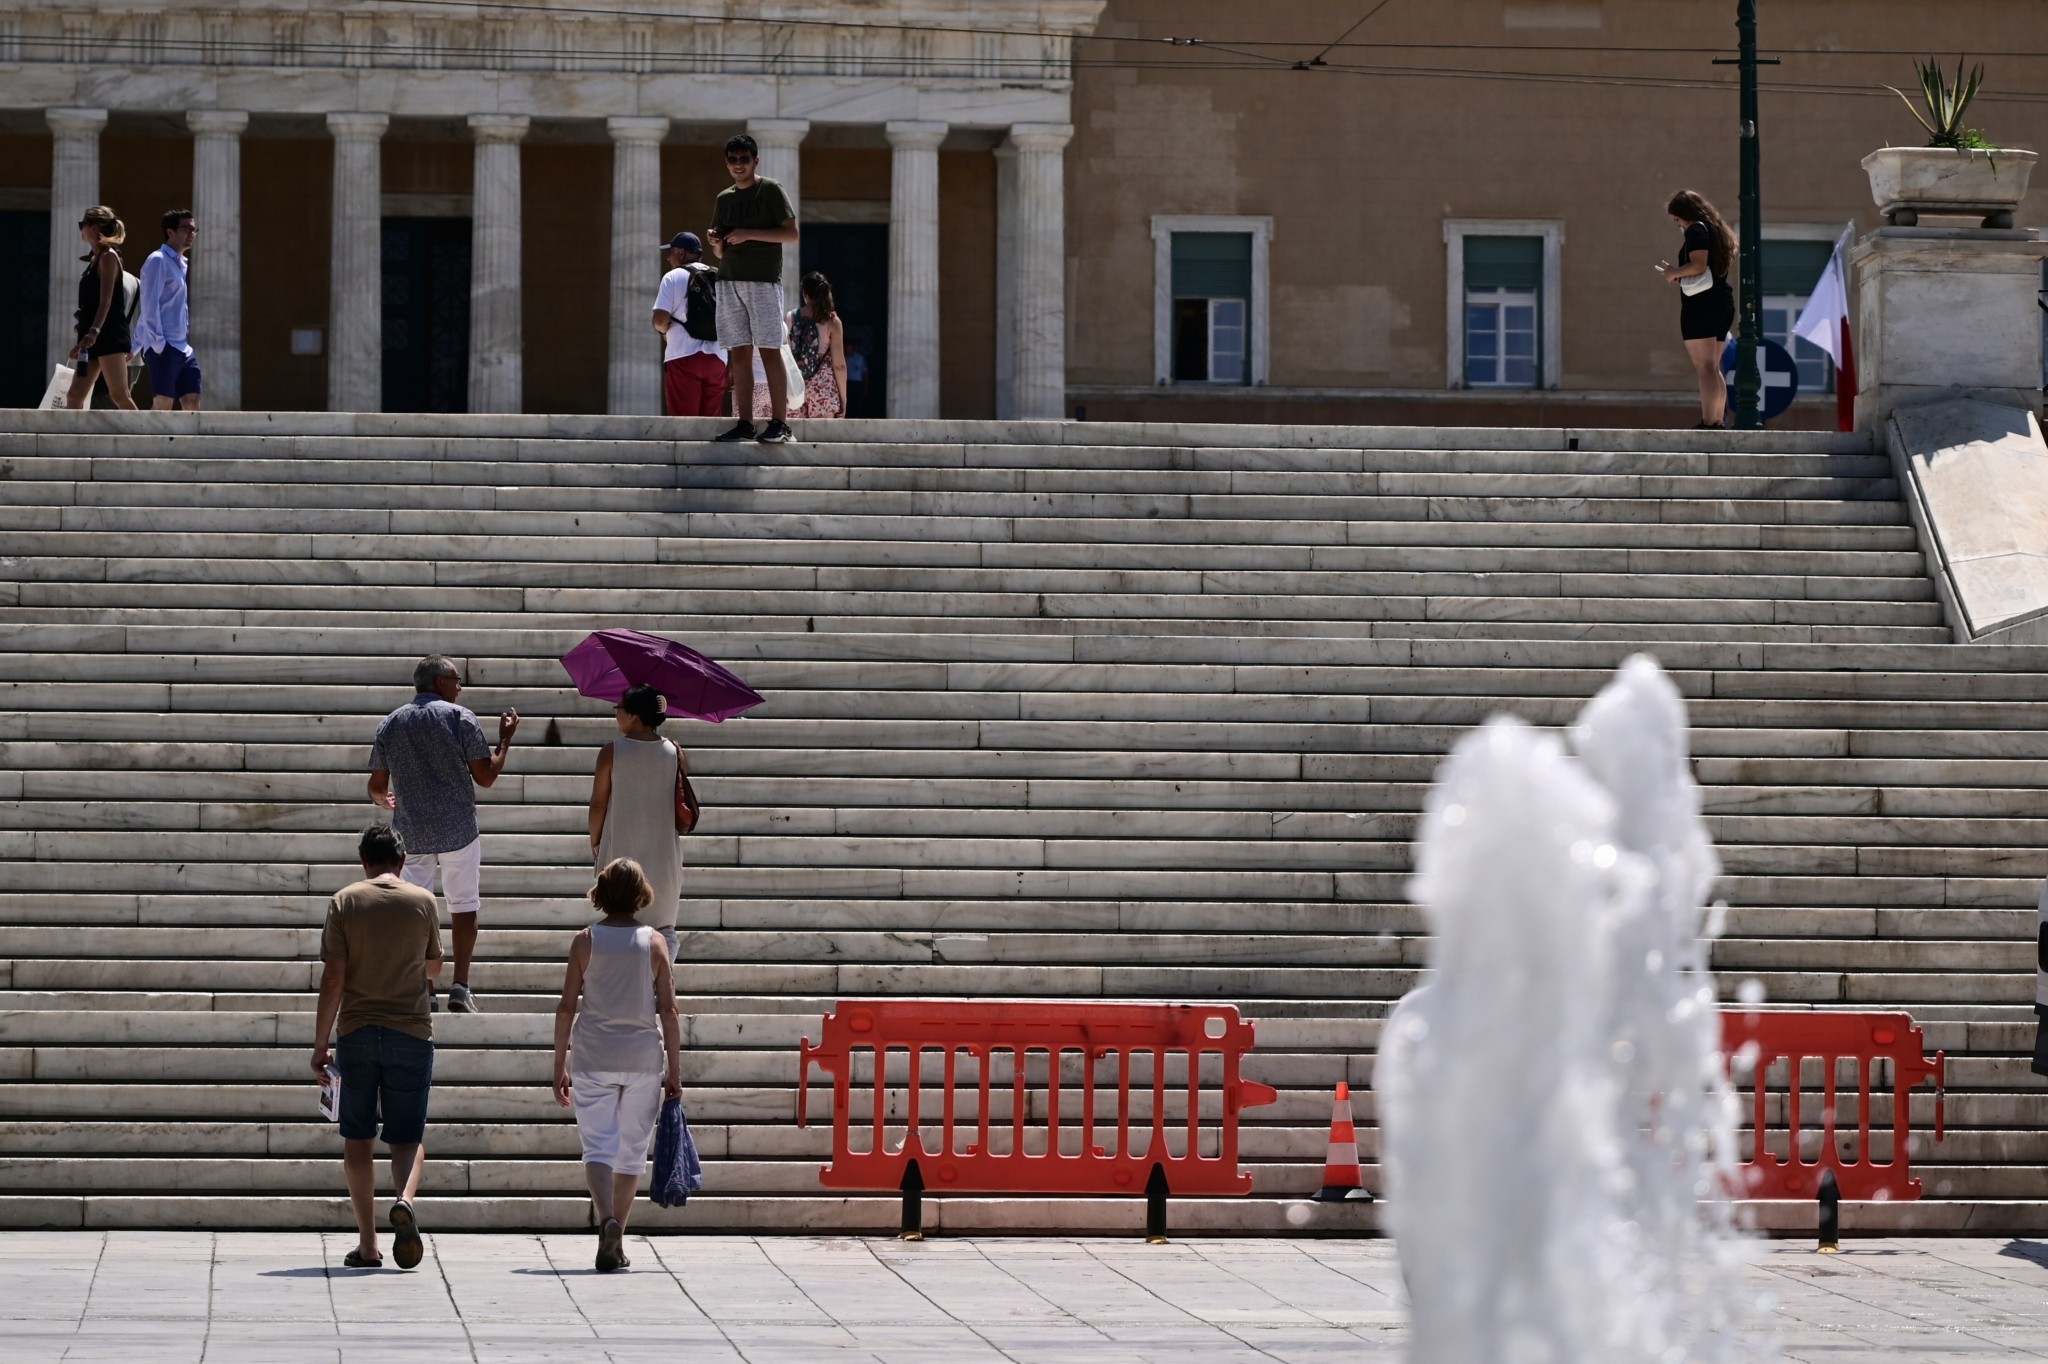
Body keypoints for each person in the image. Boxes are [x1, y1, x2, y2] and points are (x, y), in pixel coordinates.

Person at [312, 823, 443, 1270]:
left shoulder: (346, 901)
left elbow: (333, 978)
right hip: (411, 1035)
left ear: (364, 861)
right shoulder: (423, 901)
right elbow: (433, 968)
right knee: (407, 1138)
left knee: (358, 1138)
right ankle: (404, 1199)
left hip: (357, 1034)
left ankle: (368, 1245)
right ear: (403, 861)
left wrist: (319, 1045)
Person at [552, 858, 683, 1273]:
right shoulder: (655, 943)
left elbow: (566, 1008)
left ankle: (606, 1220)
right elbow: (670, 1011)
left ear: (602, 893)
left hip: (593, 1058)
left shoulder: (584, 941)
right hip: (643, 1059)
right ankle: (617, 1238)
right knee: (630, 1155)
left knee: (597, 1148)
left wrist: (559, 1064)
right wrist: (675, 1070)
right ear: (641, 894)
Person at [368, 655, 518, 1013]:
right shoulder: (459, 717)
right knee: (464, 907)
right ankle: (461, 987)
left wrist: (386, 800)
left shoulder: (391, 723)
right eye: (456, 679)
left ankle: (425, 987)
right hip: (458, 830)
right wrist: (505, 741)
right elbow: (486, 777)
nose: (460, 686)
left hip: (412, 832)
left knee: (417, 910)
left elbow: (376, 786)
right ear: (440, 683)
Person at [587, 684, 694, 960]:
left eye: (618, 708)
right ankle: (663, 986)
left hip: (620, 848)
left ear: (633, 715)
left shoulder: (611, 752)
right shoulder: (674, 750)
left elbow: (598, 803)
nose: (616, 714)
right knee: (663, 926)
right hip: (664, 854)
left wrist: (596, 842)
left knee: (620, 921)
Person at [706, 133, 799, 445]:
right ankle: (744, 422)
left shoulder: (770, 190)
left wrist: (748, 233)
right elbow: (720, 254)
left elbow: (791, 233)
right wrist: (717, 242)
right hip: (729, 279)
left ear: (755, 160)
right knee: (739, 353)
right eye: (732, 160)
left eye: (743, 159)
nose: (737, 165)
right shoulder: (724, 199)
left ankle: (780, 423)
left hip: (762, 280)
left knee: (770, 349)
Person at [1660, 190, 1738, 430]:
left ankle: (1708, 421)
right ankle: (1717, 420)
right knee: (1713, 367)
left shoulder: (1696, 229)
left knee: (1705, 367)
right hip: (1721, 302)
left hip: (1702, 305)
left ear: (1686, 213)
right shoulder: (1715, 230)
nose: (1678, 224)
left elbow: (1698, 265)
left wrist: (1674, 272)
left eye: (1677, 218)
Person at [64, 206, 138, 411]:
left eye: (83, 225)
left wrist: (94, 332)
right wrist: (83, 339)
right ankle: (72, 441)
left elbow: (106, 300)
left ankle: (146, 437)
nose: (81, 229)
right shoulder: (95, 259)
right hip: (91, 337)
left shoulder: (108, 257)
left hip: (108, 336)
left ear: (94, 228)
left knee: (119, 394)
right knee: (75, 394)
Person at [651, 231, 728, 418]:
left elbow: (660, 320)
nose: (669, 258)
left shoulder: (673, 277)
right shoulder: (719, 277)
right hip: (718, 358)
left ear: (681, 253)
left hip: (683, 356)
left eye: (670, 253)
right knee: (711, 424)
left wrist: (663, 330)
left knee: (684, 422)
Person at [132, 208, 202, 411]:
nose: (191, 234)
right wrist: (156, 344)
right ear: (170, 232)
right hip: (165, 347)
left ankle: (189, 443)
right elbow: (149, 305)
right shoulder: (158, 260)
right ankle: (151, 443)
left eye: (194, 229)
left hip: (183, 348)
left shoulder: (181, 264)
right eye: (186, 229)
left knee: (192, 401)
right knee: (163, 403)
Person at [788, 271, 847, 421]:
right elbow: (839, 365)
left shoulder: (791, 317)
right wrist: (843, 398)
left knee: (794, 439)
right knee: (823, 437)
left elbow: (784, 355)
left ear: (805, 293)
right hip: (823, 385)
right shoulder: (832, 321)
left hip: (796, 384)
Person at [845, 341, 869, 414]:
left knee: (857, 405)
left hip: (857, 384)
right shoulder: (844, 358)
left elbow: (865, 373)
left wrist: (865, 387)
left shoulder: (859, 358)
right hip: (847, 383)